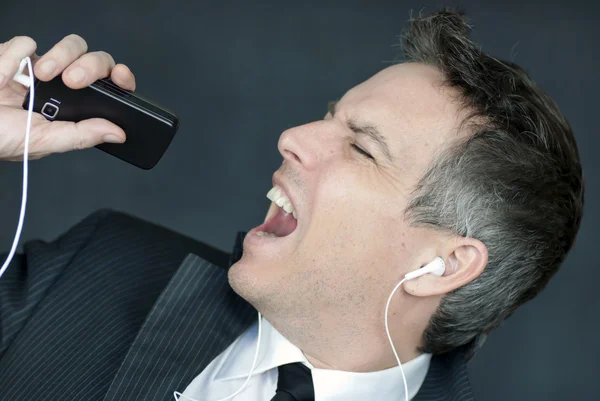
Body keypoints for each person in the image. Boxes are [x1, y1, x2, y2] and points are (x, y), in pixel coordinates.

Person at [0, 8, 584, 401]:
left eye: (360, 147)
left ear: (447, 265)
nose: (292, 136)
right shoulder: (100, 265)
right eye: (329, 115)